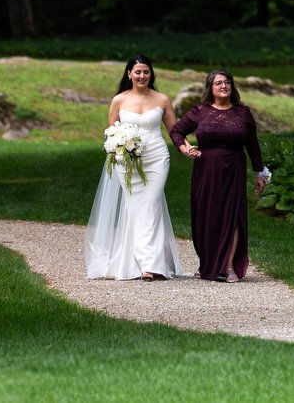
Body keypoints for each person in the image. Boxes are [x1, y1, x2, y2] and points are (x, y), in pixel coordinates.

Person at [84, 55, 183, 281]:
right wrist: (120, 147)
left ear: (151, 74)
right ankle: (140, 262)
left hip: (157, 158)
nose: (142, 76)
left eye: (146, 72)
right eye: (137, 72)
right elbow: (113, 133)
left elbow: (174, 131)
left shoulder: (162, 100)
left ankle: (150, 264)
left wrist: (186, 147)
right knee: (136, 207)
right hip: (127, 161)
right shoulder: (119, 100)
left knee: (151, 203)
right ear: (129, 74)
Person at [172, 69, 269, 282]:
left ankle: (228, 266)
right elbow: (176, 131)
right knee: (206, 216)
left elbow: (252, 144)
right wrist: (185, 148)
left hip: (234, 168)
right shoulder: (200, 111)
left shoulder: (243, 112)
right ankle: (207, 264)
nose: (223, 86)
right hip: (205, 170)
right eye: (218, 83)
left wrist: (260, 172)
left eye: (227, 82)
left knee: (231, 215)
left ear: (232, 87)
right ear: (210, 88)